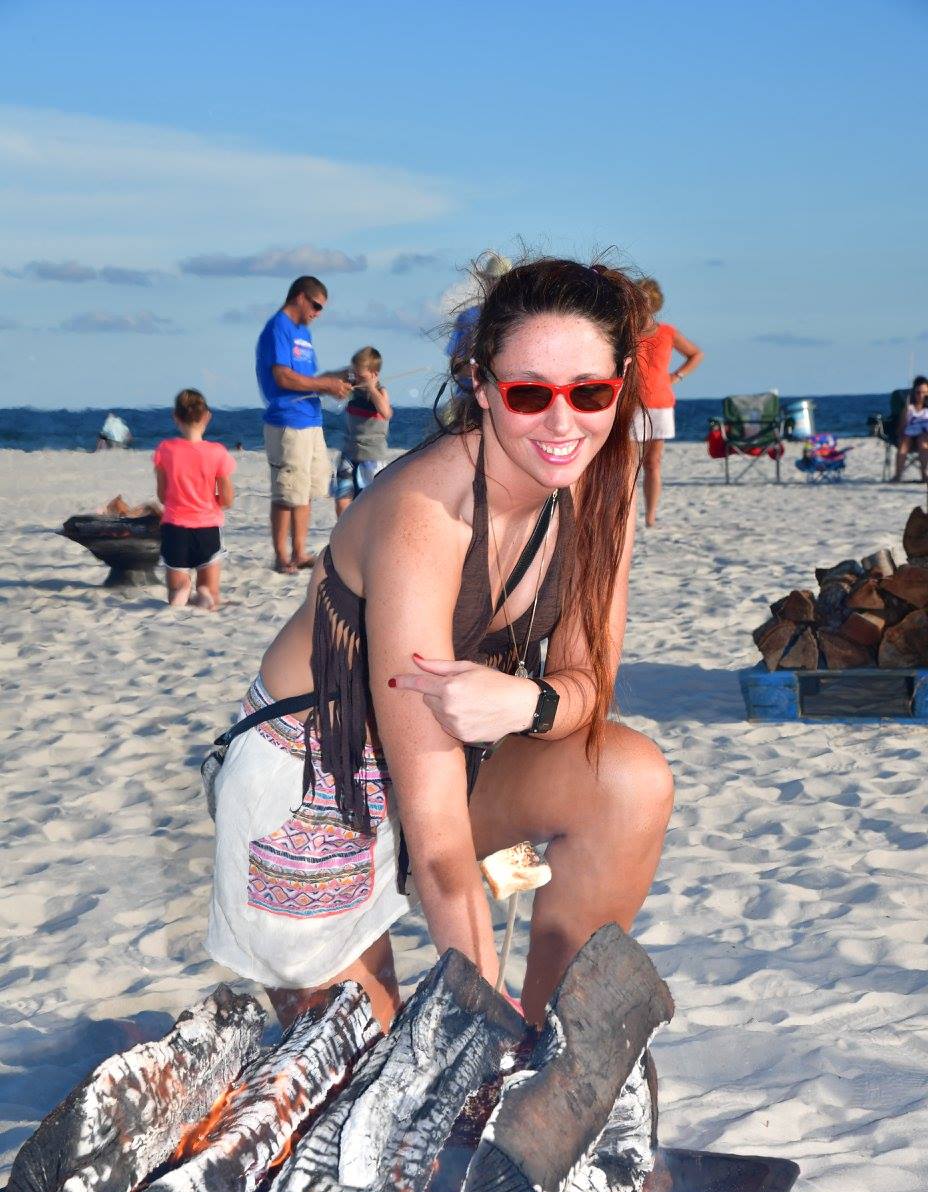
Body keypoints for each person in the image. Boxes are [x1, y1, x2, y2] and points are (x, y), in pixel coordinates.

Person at [208, 256, 674, 1034]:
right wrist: (475, 1028)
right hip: (315, 783)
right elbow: (438, 847)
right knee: (362, 1063)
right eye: (530, 394)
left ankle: (548, 1040)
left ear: (622, 382)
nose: (563, 424)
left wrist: (530, 699)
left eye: (589, 392)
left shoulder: (602, 491)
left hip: (459, 768)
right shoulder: (424, 517)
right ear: (483, 386)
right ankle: (491, 1036)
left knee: (630, 781)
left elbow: (590, 685)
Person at [256, 276, 352, 574]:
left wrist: (342, 377)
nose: (318, 313)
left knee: (308, 488)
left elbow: (309, 378)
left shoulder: (303, 333)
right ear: (300, 297)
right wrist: (326, 385)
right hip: (287, 420)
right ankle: (281, 555)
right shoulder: (278, 328)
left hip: (311, 419)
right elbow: (283, 377)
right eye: (316, 306)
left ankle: (299, 551)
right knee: (287, 490)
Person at [154, 389, 235, 610]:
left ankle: (180, 592)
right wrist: (208, 499)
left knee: (175, 589)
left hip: (174, 529)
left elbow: (162, 495)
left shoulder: (165, 450)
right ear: (207, 416)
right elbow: (227, 499)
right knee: (211, 589)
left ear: (175, 417)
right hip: (207, 528)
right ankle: (205, 593)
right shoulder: (217, 452)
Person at [631, 278, 703, 527]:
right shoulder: (625, 332)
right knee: (628, 465)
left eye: (646, 301)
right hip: (632, 404)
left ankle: (650, 516)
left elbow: (696, 354)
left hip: (660, 402)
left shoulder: (667, 332)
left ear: (654, 304)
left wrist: (676, 376)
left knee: (653, 463)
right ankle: (627, 514)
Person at [332, 347, 393, 516]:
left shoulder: (380, 392)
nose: (357, 378)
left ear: (374, 374)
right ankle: (343, 528)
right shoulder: (353, 391)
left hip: (372, 455)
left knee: (367, 499)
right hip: (350, 452)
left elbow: (386, 412)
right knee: (342, 494)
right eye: (354, 374)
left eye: (361, 375)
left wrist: (372, 388)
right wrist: (345, 379)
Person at [444, 252, 512, 403]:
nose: (498, 284)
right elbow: (456, 368)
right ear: (486, 281)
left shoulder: (519, 319)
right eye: (494, 279)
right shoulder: (468, 317)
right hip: (469, 398)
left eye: (504, 280)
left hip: (506, 399)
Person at [893, 375, 928, 483]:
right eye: (918, 392)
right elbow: (902, 426)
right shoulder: (909, 408)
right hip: (908, 435)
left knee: (923, 442)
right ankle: (898, 476)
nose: (921, 396)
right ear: (914, 392)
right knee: (904, 444)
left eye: (924, 393)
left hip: (924, 436)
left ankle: (924, 475)